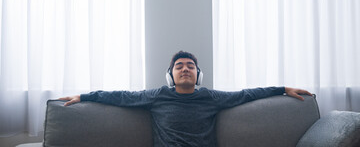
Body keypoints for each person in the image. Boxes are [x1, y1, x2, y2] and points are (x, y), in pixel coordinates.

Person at [60, 50, 312, 147]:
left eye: (190, 66)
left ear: (198, 74)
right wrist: (83, 96)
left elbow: (246, 95)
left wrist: (282, 89)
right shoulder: (158, 95)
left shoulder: (210, 97)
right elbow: (122, 97)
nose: (185, 69)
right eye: (179, 66)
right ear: (170, 75)